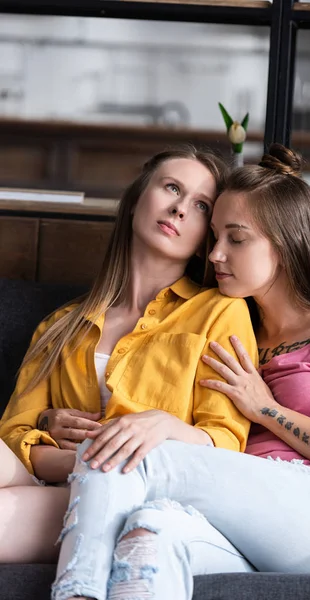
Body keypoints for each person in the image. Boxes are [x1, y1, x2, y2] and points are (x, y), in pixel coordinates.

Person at [51, 144, 310, 600]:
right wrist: (47, 421)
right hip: (245, 523)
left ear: (286, 244)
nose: (214, 254)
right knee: (147, 534)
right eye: (214, 236)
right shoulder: (228, 329)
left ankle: (75, 594)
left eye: (236, 239)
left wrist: (266, 410)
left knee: (123, 450)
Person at [0, 146, 259, 563]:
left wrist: (163, 427)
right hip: (55, 480)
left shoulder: (220, 313)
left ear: (204, 242)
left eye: (199, 206)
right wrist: (59, 441)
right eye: (171, 188)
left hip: (137, 497)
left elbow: (225, 443)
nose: (178, 209)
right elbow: (13, 434)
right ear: (138, 198)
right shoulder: (61, 325)